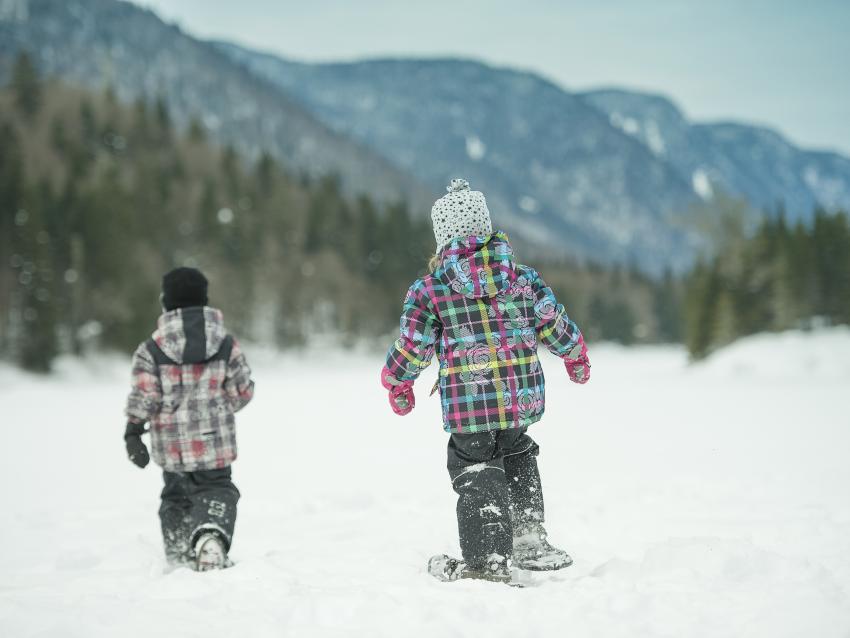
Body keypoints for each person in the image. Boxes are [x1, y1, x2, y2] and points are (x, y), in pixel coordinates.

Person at [381, 178, 591, 584]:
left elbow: (414, 346)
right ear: (487, 228)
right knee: (516, 453)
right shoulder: (523, 278)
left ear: (442, 237)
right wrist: (575, 354)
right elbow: (553, 321)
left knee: (475, 466)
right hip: (519, 399)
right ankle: (529, 537)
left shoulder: (431, 290)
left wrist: (396, 381)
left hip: (469, 404)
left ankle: (488, 560)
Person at [124, 267, 255, 570]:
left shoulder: (151, 350)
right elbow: (240, 392)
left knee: (176, 497)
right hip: (215, 446)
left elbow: (143, 396)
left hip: (173, 450)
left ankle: (179, 549)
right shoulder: (225, 344)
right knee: (217, 491)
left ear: (165, 303)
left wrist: (132, 433)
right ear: (205, 300)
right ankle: (210, 537)